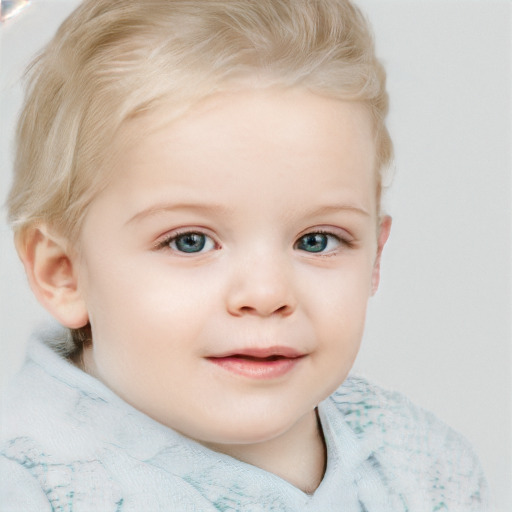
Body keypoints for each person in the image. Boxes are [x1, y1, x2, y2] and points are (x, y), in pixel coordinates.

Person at [0, 0, 490, 510]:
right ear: (63, 272)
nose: (266, 294)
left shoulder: (424, 467)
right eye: (190, 241)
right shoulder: (29, 488)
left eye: (317, 240)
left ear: (375, 258)